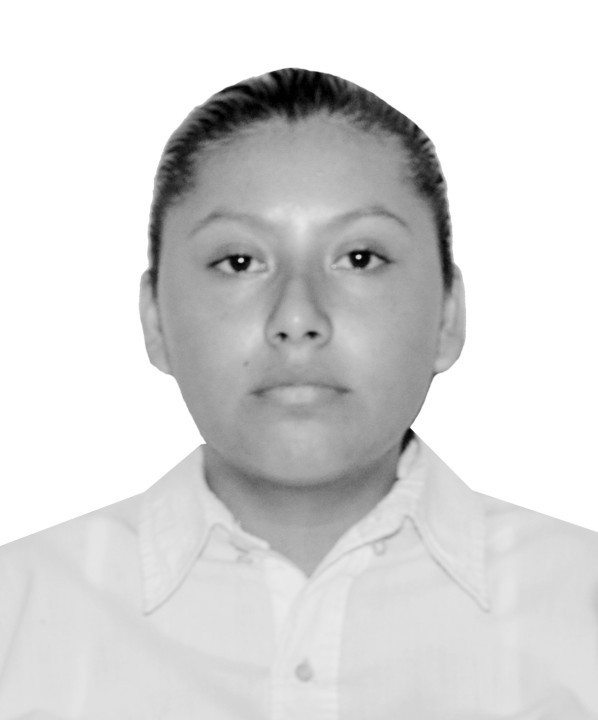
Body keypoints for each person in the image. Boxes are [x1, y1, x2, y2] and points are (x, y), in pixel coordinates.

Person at [0, 68, 596, 719]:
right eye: (239, 262)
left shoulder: (580, 607)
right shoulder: (18, 616)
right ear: (155, 320)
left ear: (448, 315)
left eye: (360, 258)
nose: (297, 316)